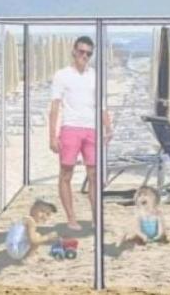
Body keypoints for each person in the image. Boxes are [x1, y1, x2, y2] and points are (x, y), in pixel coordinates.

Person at [49, 36, 112, 231]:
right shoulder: (62, 75)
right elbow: (55, 106)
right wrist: (52, 135)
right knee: (66, 174)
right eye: (82, 52)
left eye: (89, 53)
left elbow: (101, 106)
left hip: (92, 129)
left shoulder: (95, 75)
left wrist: (108, 128)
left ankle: (96, 218)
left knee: (94, 175)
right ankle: (71, 218)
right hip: (70, 128)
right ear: (74, 51)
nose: (85, 56)